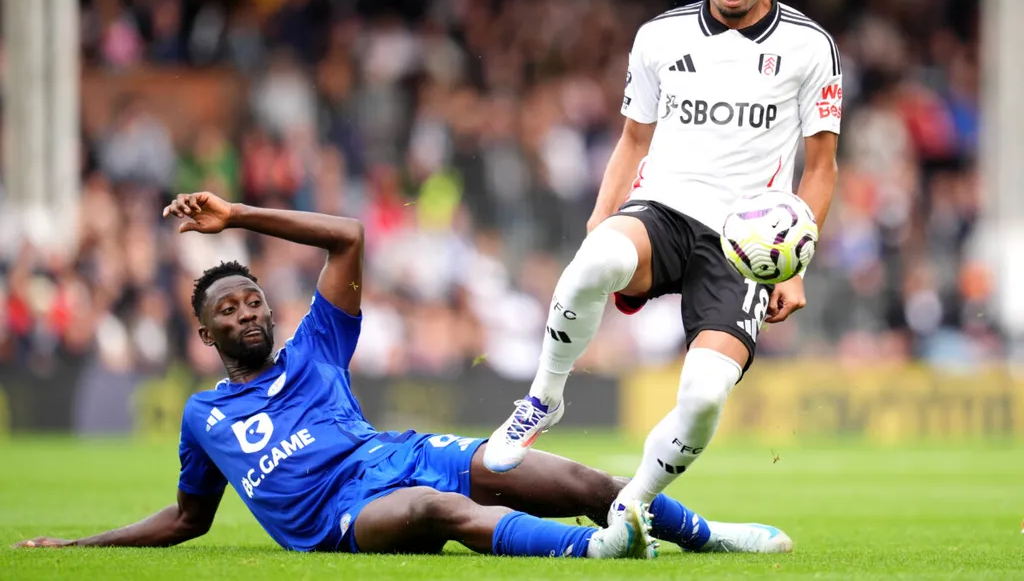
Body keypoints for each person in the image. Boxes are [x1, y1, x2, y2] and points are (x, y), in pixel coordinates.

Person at [16, 192, 786, 557]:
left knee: (557, 473)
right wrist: (80, 549)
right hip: (337, 519)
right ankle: (589, 552)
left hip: (396, 454)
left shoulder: (315, 349)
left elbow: (348, 238)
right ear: (204, 330)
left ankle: (707, 536)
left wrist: (240, 217)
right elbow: (189, 519)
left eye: (254, 300)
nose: (248, 313)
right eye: (229, 309)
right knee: (430, 508)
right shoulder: (203, 417)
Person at [484, 0, 839, 551]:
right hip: (665, 210)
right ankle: (543, 398)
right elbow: (632, 141)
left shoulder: (809, 47)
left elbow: (820, 168)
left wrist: (796, 264)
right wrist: (599, 218)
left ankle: (631, 509)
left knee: (704, 398)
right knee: (597, 260)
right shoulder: (657, 38)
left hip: (743, 244)